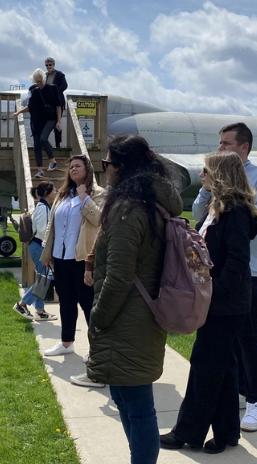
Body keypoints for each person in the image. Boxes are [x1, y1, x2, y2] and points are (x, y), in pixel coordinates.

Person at [83, 135, 183, 464]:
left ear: (121, 167)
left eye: (107, 164)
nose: (105, 170)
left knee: (138, 408)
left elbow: (120, 276)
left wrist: (97, 318)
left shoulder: (129, 207)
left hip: (129, 319)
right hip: (140, 316)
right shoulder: (151, 200)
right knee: (127, 400)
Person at [161, 151, 257, 455]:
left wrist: (211, 293)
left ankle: (186, 432)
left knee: (205, 367)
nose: (202, 175)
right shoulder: (216, 209)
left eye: (206, 170)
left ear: (220, 175)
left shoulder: (236, 211)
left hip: (224, 306)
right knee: (224, 368)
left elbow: (237, 261)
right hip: (218, 303)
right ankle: (227, 433)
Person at [192, 122, 257, 432]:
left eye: (227, 143)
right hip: (216, 272)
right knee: (223, 342)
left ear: (244, 147)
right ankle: (237, 392)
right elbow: (198, 214)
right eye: (220, 143)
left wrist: (236, 199)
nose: (221, 148)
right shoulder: (213, 181)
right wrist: (209, 190)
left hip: (248, 271)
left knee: (248, 335)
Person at [41, 154, 105, 365]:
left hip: (82, 259)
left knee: (88, 304)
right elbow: (53, 226)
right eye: (71, 167)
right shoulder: (62, 195)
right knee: (66, 303)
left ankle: (96, 349)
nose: (73, 170)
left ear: (88, 169)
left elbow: (98, 219)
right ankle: (66, 343)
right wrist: (48, 254)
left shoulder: (97, 194)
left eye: (78, 166)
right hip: (61, 258)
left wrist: (84, 198)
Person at [13, 181, 58, 321]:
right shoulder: (43, 208)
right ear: (47, 193)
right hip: (40, 247)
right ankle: (22, 304)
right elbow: (44, 231)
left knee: (42, 278)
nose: (56, 192)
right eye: (53, 190)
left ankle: (40, 311)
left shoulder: (44, 207)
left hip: (38, 246)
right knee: (46, 278)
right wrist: (51, 248)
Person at [13, 68, 61, 178]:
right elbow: (30, 107)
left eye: (40, 81)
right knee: (37, 146)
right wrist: (19, 112)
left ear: (44, 79)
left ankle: (52, 160)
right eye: (36, 82)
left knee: (43, 139)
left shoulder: (52, 88)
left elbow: (58, 105)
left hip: (50, 119)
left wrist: (59, 121)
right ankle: (40, 170)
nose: (39, 84)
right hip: (36, 121)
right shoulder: (34, 91)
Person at [44, 57, 68, 148]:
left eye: (50, 65)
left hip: (57, 101)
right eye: (47, 65)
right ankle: (45, 142)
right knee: (45, 122)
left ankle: (58, 144)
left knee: (57, 122)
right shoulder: (44, 75)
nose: (48, 67)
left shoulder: (60, 75)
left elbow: (64, 85)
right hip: (47, 103)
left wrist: (55, 92)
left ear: (53, 65)